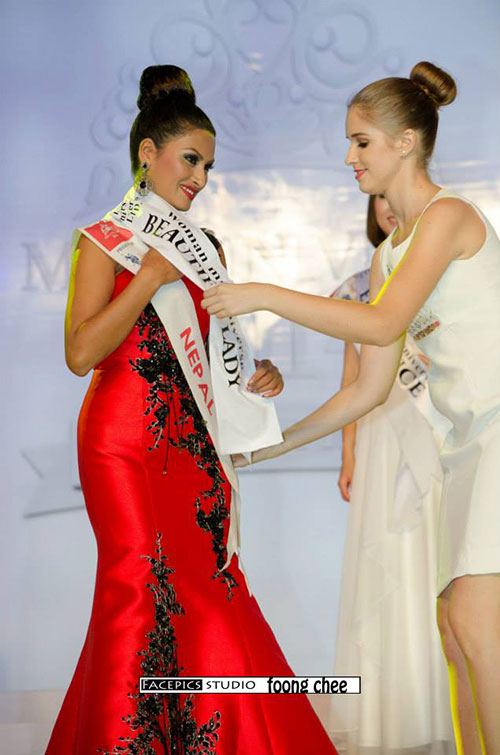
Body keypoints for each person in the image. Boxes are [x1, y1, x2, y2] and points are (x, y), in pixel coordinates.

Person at [202, 61, 500, 753]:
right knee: (455, 627)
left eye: (361, 141)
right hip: (466, 449)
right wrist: (262, 448)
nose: (349, 157)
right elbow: (367, 390)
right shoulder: (388, 254)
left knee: (475, 621)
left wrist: (264, 293)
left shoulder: (449, 217)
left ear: (405, 142)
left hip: (497, 431)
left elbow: (381, 321)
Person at [46, 65, 337, 754]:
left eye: (207, 165)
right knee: (135, 586)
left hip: (193, 450)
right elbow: (81, 352)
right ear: (148, 153)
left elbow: (216, 355)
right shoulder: (103, 239)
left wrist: (258, 376)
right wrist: (147, 276)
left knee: (208, 586)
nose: (201, 177)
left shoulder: (206, 249)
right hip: (122, 444)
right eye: (190, 159)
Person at [326, 194, 454, 753]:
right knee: (387, 560)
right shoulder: (357, 287)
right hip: (380, 435)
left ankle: (444, 704)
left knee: (436, 564)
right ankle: (391, 714)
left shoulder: (442, 270)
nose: (386, 205)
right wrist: (348, 453)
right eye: (377, 197)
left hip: (434, 432)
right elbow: (353, 378)